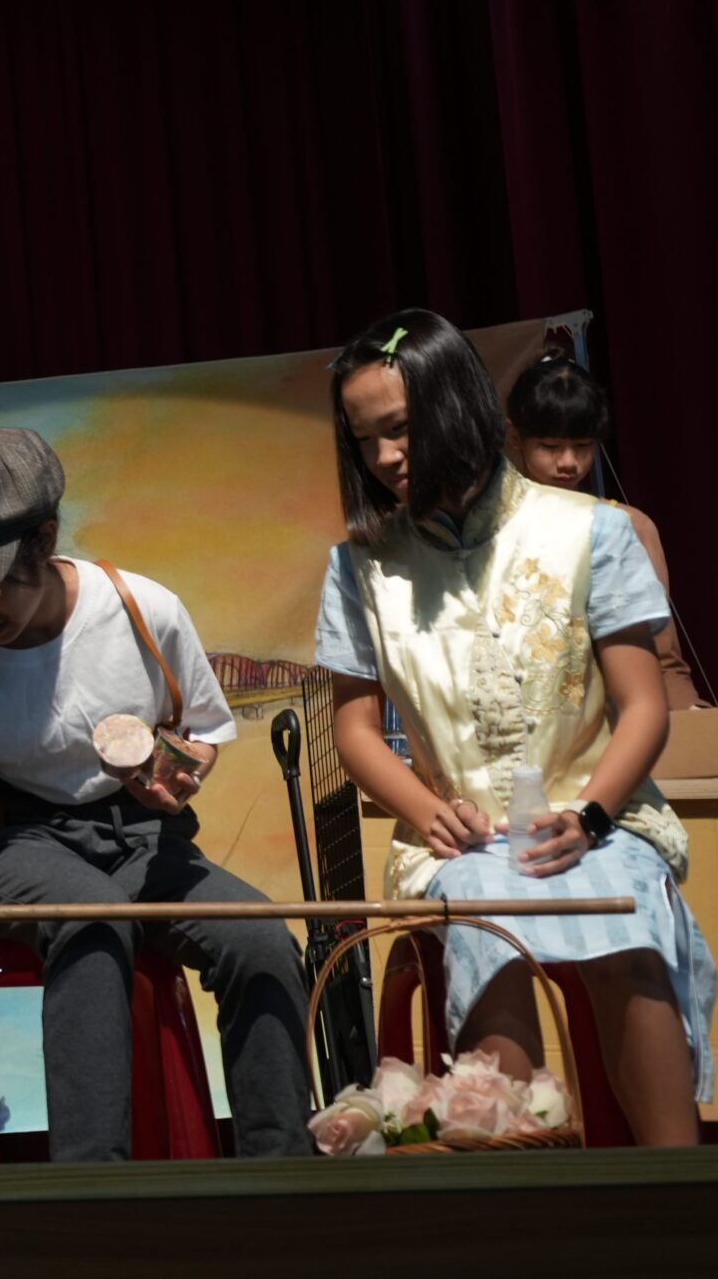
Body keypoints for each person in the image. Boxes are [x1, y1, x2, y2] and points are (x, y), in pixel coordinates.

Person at [318, 308, 713, 1145]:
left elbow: (643, 703)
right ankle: (524, 1178)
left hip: (600, 819)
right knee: (485, 929)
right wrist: (427, 810)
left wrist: (591, 814)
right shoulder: (361, 566)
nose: (385, 457)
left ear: (457, 404)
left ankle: (675, 1184)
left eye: (400, 429)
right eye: (365, 439)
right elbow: (355, 729)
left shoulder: (591, 530)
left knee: (629, 927)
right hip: (461, 838)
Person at [0, 428, 311, 1161]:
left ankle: (280, 1179)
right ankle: (89, 1191)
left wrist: (176, 775)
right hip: (17, 842)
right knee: (93, 920)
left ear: (44, 538)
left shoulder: (142, 609)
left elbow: (202, 732)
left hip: (143, 835)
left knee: (263, 940)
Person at [506, 353, 707, 713]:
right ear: (516, 438)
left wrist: (688, 718)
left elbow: (661, 656)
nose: (568, 462)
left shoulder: (628, 526)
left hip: (621, 718)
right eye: (551, 446)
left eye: (583, 446)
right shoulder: (493, 528)